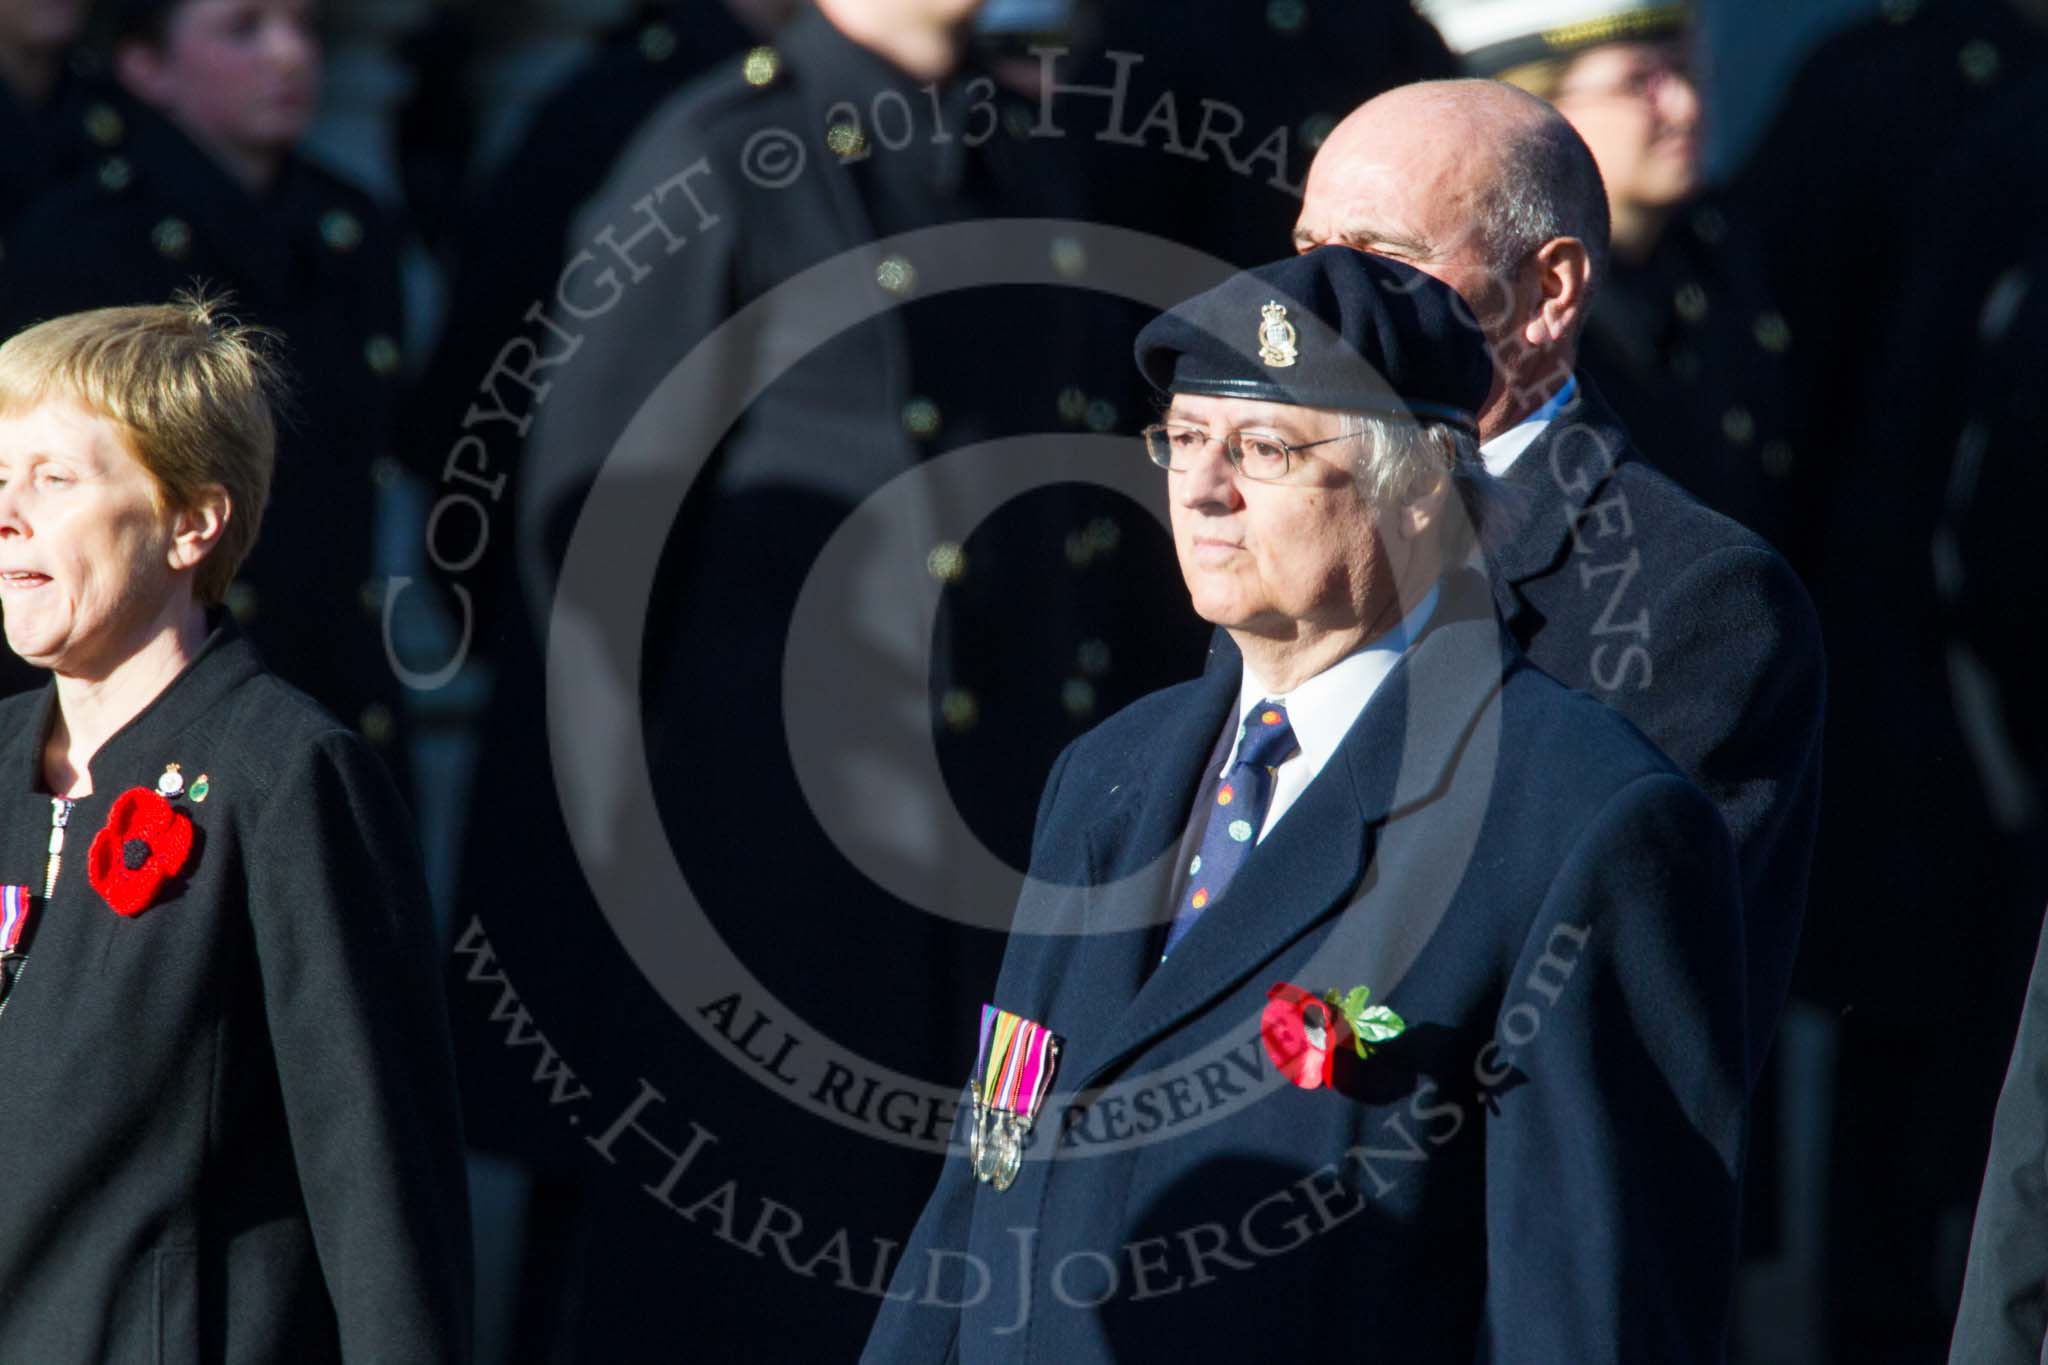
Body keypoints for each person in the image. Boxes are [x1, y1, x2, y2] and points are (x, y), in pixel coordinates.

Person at [862, 244, 1747, 1363]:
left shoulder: (1577, 815)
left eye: (1264, 449)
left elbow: (1587, 1307)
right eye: (1181, 440)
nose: (1201, 488)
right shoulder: (1107, 775)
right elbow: (984, 1180)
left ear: (1422, 486)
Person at [1291, 78, 1822, 1088]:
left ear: (1547, 292)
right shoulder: (1286, 530)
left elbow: (1602, 1008)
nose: (1323, 299)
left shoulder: (1693, 599)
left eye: (1379, 257)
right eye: (1309, 252)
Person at [0, 297, 470, 1357]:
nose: (6, 515)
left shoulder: (285, 775)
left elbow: (377, 1179)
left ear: (190, 522)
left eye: (54, 479)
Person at [0, 0, 410, 770]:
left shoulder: (351, 229)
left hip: (329, 680)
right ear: (144, 65)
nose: (289, 54)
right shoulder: (82, 239)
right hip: (150, 689)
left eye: (305, 27)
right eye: (243, 28)